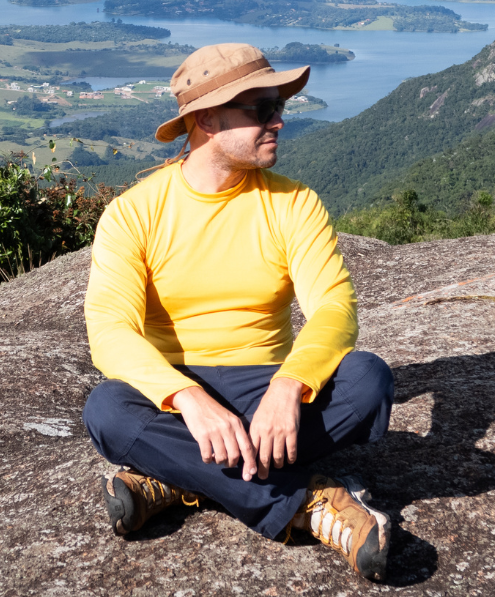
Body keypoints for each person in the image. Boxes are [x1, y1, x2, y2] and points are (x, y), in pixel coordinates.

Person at [82, 43, 396, 581]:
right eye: (261, 109)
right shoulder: (134, 214)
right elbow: (110, 330)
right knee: (107, 408)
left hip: (265, 382)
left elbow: (334, 307)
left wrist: (290, 384)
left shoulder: (295, 203)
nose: (278, 120)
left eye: (279, 106)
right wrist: (189, 399)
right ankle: (307, 502)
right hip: (176, 391)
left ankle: (181, 477)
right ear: (206, 119)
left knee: (368, 381)